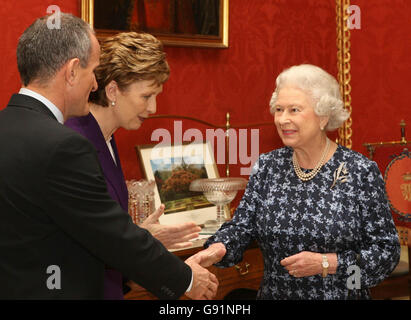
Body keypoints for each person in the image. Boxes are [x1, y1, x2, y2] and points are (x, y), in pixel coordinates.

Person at [0, 12, 223, 300]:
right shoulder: (67, 145)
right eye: (92, 72)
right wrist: (187, 279)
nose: (94, 84)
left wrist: (139, 235)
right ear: (71, 71)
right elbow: (110, 238)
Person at [197, 64, 401, 300]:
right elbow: (242, 227)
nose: (283, 119)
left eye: (294, 110)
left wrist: (328, 264)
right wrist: (216, 249)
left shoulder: (359, 171)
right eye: (279, 109)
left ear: (323, 116)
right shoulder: (268, 167)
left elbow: (386, 253)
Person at [65, 31, 204, 299]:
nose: (153, 107)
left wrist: (140, 235)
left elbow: (98, 232)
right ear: (113, 90)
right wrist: (140, 243)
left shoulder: (105, 136)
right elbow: (80, 245)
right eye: (146, 96)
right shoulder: (75, 143)